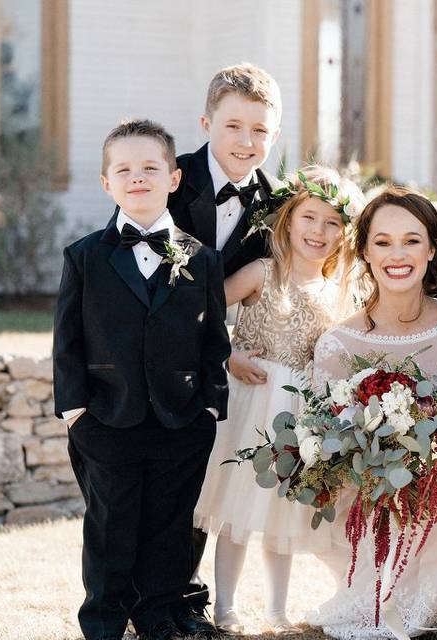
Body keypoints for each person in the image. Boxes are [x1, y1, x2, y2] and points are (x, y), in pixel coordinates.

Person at [53, 119, 230, 640]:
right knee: (110, 526)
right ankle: (104, 620)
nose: (138, 178)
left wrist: (210, 408)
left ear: (174, 178)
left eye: (150, 167)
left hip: (181, 420)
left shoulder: (203, 259)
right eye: (124, 169)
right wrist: (75, 411)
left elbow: (214, 341)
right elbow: (67, 341)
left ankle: (158, 616)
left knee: (168, 527)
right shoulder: (84, 257)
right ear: (106, 183)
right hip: (107, 418)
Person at [307, 187, 437, 639]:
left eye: (411, 240)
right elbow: (321, 443)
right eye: (383, 242)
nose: (397, 254)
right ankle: (380, 595)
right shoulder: (338, 343)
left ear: (432, 248)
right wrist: (379, 470)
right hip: (372, 498)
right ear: (366, 251)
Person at [193, 166, 362, 635]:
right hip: (251, 403)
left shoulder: (340, 291)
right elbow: (202, 315)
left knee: (284, 507)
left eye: (332, 223)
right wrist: (228, 355)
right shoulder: (262, 273)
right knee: (236, 508)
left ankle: (276, 609)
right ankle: (225, 605)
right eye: (310, 217)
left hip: (301, 414)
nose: (319, 231)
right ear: (288, 220)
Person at [166, 61, 284, 618]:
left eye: (260, 130)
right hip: (156, 357)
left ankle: (184, 605)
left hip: (218, 368)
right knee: (156, 487)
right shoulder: (166, 180)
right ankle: (144, 600)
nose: (246, 141)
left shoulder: (276, 206)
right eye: (233, 126)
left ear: (275, 135)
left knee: (200, 484)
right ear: (206, 123)